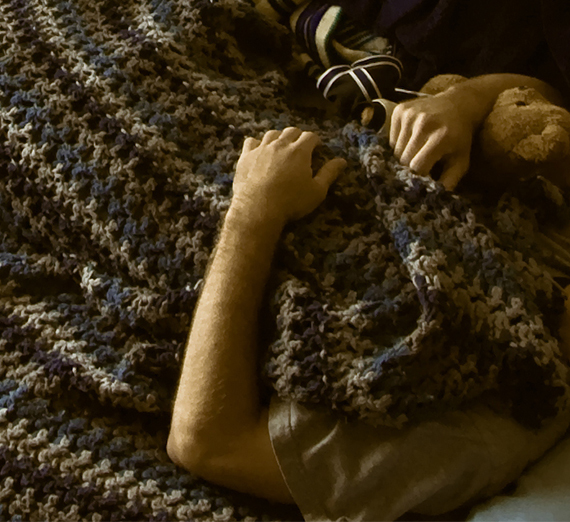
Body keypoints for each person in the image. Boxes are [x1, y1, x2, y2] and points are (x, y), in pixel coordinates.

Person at [167, 2, 570, 520]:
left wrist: (251, 214)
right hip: (306, 119)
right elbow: (547, 110)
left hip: (234, 205)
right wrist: (465, 100)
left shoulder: (493, 420)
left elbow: (206, 444)